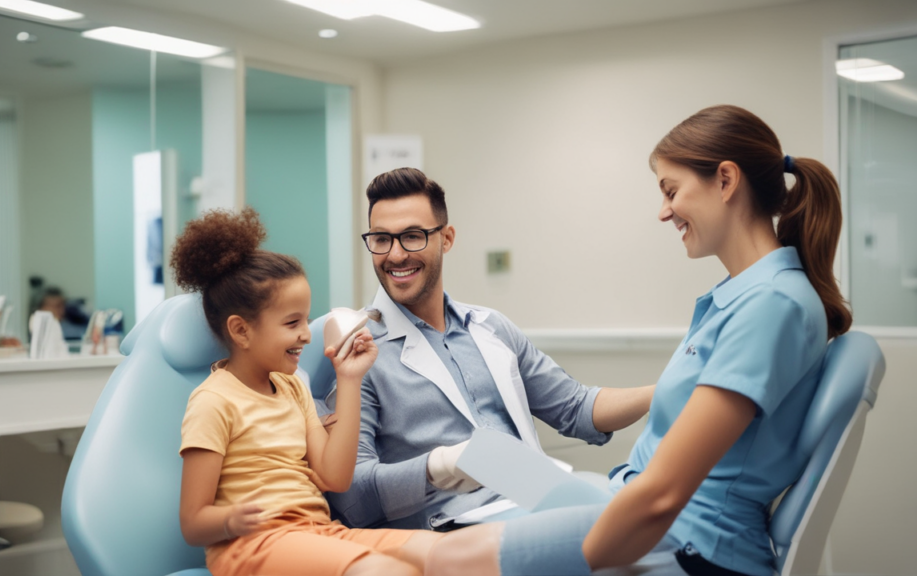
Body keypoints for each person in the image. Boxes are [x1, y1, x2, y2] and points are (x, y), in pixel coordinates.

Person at [423, 105, 853, 576]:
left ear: (726, 181)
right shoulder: (743, 296)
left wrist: (571, 563)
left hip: (689, 541)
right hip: (639, 503)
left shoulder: (773, 305)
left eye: (671, 191)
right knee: (484, 479)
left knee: (440, 557)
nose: (664, 211)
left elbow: (663, 496)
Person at [325, 168, 655, 531]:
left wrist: (667, 390)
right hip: (458, 524)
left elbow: (577, 408)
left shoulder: (491, 327)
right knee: (629, 526)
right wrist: (440, 466)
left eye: (413, 237)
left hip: (537, 496)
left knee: (655, 502)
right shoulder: (358, 354)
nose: (396, 254)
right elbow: (352, 496)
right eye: (381, 239)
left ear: (446, 238)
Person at [173, 208, 441, 576]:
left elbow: (335, 477)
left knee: (445, 554)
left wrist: (348, 379)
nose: (306, 334)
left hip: (318, 532)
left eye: (306, 319)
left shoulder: (292, 387)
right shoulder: (213, 402)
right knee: (383, 572)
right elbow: (192, 522)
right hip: (253, 545)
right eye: (292, 322)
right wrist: (232, 519)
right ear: (241, 331)